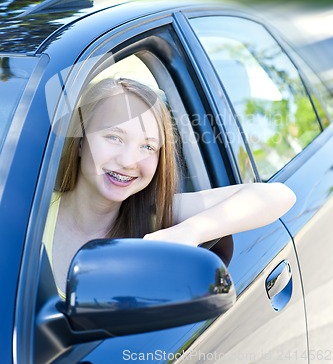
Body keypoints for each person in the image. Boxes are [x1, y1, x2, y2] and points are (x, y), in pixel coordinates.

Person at [43, 77, 296, 299]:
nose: (129, 161)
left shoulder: (156, 214)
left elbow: (278, 195)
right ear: (79, 142)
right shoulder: (31, 217)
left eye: (148, 146)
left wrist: (191, 231)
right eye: (114, 137)